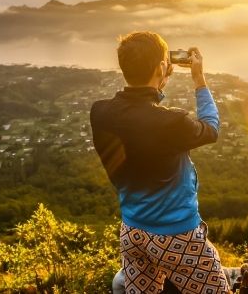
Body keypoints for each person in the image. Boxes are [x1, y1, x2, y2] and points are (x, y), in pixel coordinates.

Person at [90, 31, 231, 293]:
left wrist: (155, 85)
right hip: (176, 235)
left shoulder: (100, 112)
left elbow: (136, 118)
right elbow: (210, 128)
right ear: (161, 68)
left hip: (132, 231)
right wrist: (199, 79)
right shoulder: (171, 122)